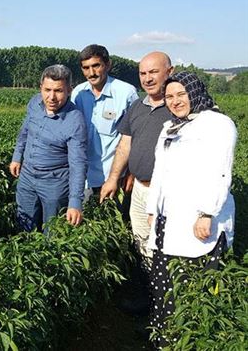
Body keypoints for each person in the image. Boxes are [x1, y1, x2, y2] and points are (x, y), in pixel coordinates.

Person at [145, 71, 236, 348]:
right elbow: (159, 171)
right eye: (169, 96)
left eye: (181, 94)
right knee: (165, 283)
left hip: (199, 220)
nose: (175, 101)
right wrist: (152, 208)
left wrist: (207, 213)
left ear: (195, 93)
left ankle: (190, 340)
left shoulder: (218, 124)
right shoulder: (171, 127)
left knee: (193, 285)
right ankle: (163, 338)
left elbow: (221, 172)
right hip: (167, 220)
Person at [99, 52, 174, 272]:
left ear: (170, 72)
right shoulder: (138, 107)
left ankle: (168, 299)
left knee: (168, 245)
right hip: (141, 190)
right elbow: (125, 144)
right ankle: (149, 294)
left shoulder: (179, 106)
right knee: (142, 242)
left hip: (168, 193)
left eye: (153, 72)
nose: (147, 78)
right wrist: (114, 178)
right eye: (143, 73)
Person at [9, 64, 87, 232]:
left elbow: (78, 164)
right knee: (24, 224)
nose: (51, 97)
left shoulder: (75, 120)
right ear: (41, 88)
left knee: (52, 231)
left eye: (58, 91)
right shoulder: (35, 103)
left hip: (55, 183)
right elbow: (24, 132)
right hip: (27, 176)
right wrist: (17, 156)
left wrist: (75, 202)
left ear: (69, 90)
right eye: (47, 90)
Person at [70, 44, 138, 198]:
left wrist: (131, 172)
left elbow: (136, 135)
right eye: (86, 68)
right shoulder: (78, 93)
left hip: (114, 177)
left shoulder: (126, 93)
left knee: (113, 220)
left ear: (108, 65)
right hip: (84, 177)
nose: (91, 73)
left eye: (96, 66)